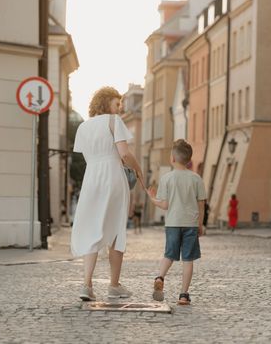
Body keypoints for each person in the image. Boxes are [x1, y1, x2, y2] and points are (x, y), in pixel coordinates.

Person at [71, 86, 144, 301]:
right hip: (112, 176)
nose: (119, 109)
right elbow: (124, 154)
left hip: (92, 177)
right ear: (105, 103)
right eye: (116, 104)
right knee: (116, 230)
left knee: (93, 227)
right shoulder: (114, 122)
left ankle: (86, 285)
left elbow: (86, 157)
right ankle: (113, 285)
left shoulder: (83, 127)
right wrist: (138, 170)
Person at [147, 139, 206, 305]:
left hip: (173, 223)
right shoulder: (196, 179)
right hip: (191, 224)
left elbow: (164, 205)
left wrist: (153, 199)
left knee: (169, 254)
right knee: (188, 260)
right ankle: (184, 294)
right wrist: (200, 224)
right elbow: (201, 204)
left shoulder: (167, 178)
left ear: (172, 158)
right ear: (189, 160)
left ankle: (160, 276)